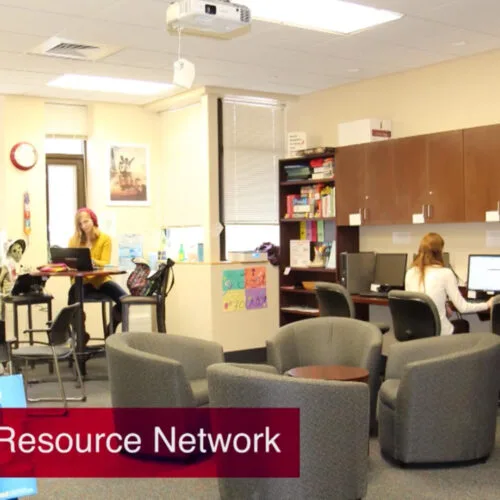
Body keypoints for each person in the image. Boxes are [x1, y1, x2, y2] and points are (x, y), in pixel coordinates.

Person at [405, 232, 493, 335]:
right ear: (439, 252)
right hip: (438, 333)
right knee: (463, 324)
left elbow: (415, 302)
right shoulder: (445, 273)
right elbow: (463, 308)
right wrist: (487, 304)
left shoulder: (410, 272)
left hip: (416, 332)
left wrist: (444, 304)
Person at [68, 208, 126, 341]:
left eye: (86, 221)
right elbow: (70, 262)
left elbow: (105, 262)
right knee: (72, 297)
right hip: (83, 281)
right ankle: (81, 333)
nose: (84, 226)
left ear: (93, 220)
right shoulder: (74, 240)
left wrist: (91, 261)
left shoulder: (105, 239)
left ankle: (111, 327)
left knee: (125, 300)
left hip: (101, 280)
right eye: (80, 224)